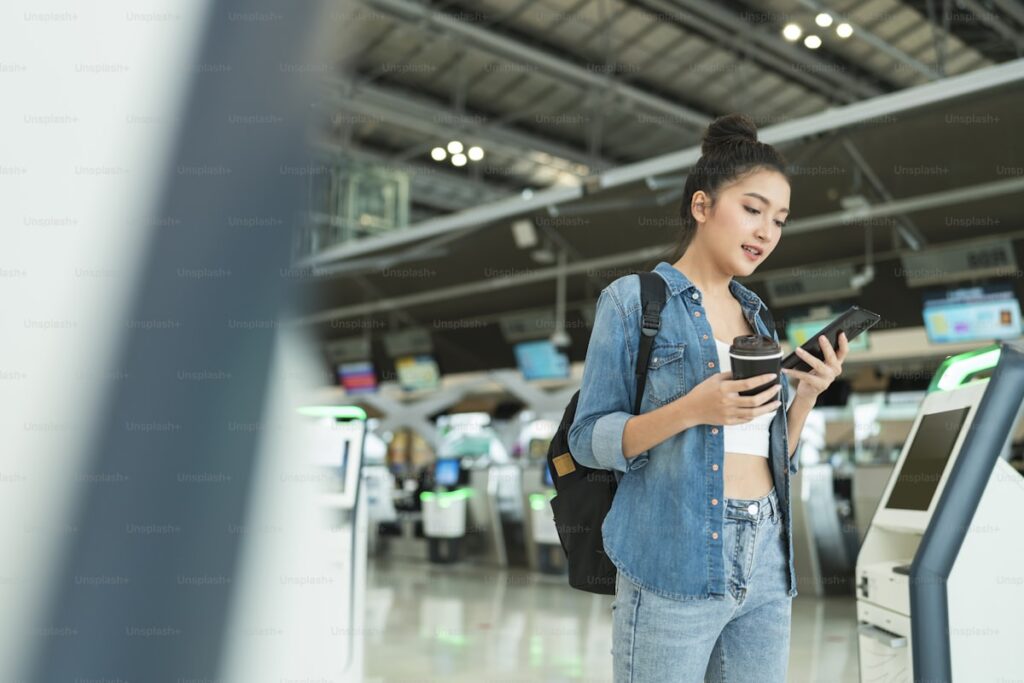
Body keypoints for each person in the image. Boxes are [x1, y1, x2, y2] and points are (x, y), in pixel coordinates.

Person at [567, 113, 848, 682]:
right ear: (701, 206)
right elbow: (587, 439)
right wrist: (692, 409)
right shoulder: (633, 301)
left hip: (768, 556)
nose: (767, 231)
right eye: (752, 208)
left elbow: (774, 459)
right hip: (675, 551)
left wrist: (806, 398)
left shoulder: (758, 315)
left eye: (779, 219)